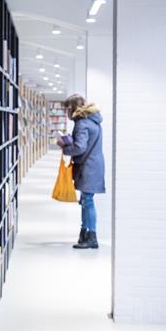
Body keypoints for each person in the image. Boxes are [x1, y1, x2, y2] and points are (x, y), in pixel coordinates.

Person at [57, 94, 105, 249]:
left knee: (87, 201)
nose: (67, 113)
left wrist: (65, 147)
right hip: (93, 165)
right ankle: (85, 234)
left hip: (88, 167)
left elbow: (80, 147)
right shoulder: (92, 121)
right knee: (86, 201)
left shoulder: (82, 123)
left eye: (67, 109)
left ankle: (91, 236)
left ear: (72, 107)